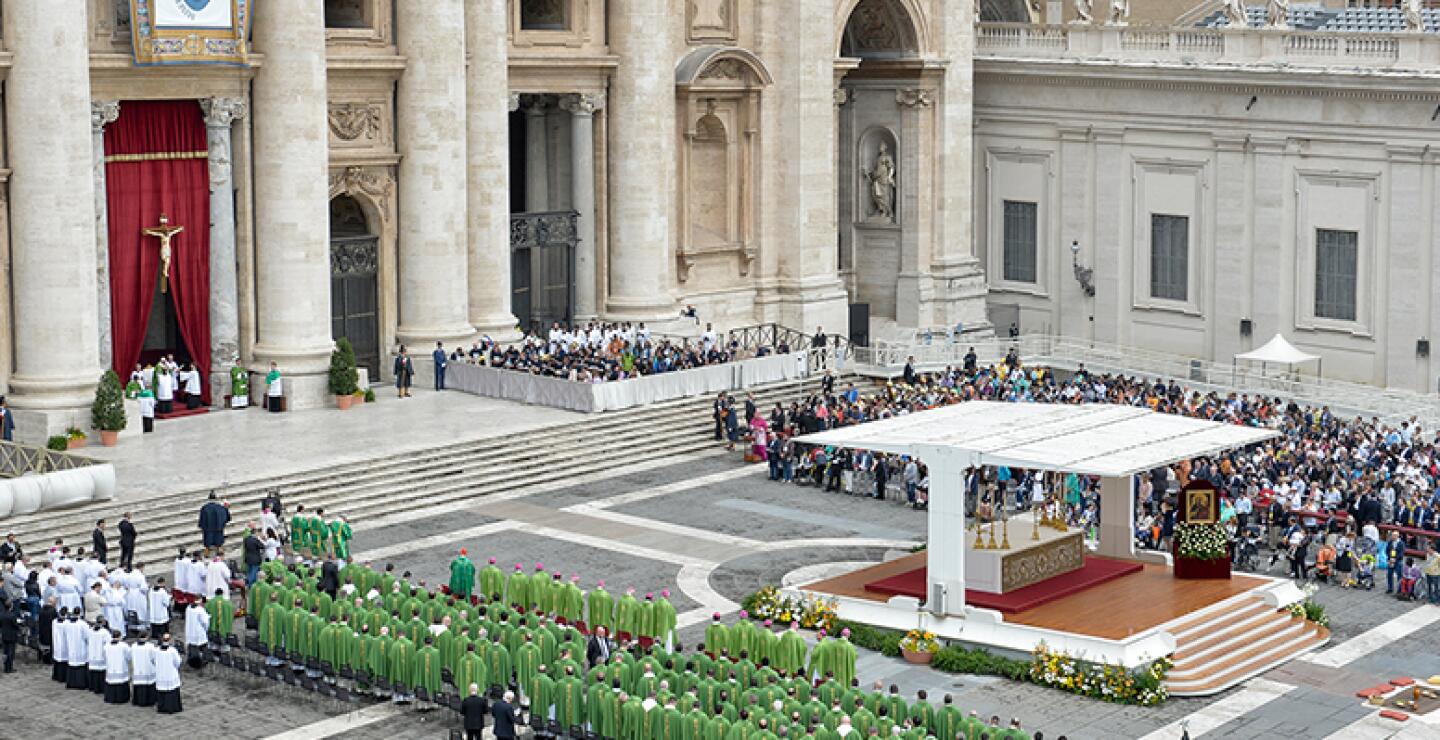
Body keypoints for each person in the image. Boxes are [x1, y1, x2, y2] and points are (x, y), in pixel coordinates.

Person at [154, 635, 183, 714]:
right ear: (169, 640)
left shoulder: (156, 650)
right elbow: (178, 662)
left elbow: (153, 661)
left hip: (161, 674)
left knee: (162, 691)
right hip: (170, 673)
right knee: (171, 691)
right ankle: (172, 708)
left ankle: (162, 708)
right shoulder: (173, 650)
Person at [130, 631, 157, 707]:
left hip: (138, 669)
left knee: (139, 685)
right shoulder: (150, 646)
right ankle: (149, 701)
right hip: (147, 668)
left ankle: (138, 700)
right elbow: (154, 657)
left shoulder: (133, 646)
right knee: (148, 684)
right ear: (146, 637)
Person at [103, 631, 131, 704]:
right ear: (119, 636)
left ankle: (111, 697)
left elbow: (104, 656)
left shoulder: (106, 646)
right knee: (120, 682)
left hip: (111, 667)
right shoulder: (124, 645)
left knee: (111, 682)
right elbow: (129, 656)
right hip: (120, 667)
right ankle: (121, 698)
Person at [0, 603, 18, 673]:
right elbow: (15, 625)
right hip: (11, 636)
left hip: (4, 635)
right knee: (10, 653)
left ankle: (5, 667)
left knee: (5, 652)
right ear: (11, 607)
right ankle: (9, 668)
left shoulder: (1, 614)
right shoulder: (12, 615)